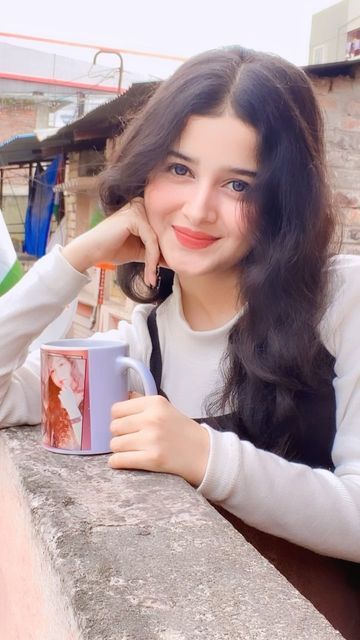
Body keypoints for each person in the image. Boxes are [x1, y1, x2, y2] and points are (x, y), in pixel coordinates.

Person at [0, 47, 359, 569]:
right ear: (145, 173)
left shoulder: (342, 302)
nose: (197, 209)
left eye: (240, 185)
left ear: (286, 200)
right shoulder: (143, 340)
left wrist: (205, 456)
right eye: (179, 169)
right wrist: (77, 256)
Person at [41, 353, 85, 449]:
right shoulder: (52, 401)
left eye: (61, 365)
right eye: (52, 371)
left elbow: (85, 443)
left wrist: (72, 408)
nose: (58, 374)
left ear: (71, 364)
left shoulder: (87, 396)